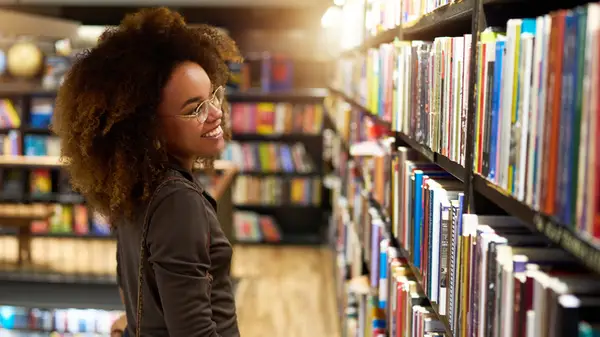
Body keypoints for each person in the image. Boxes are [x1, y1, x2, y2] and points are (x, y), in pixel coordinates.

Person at [52, 7, 242, 337]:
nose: (215, 114)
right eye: (194, 109)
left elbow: (138, 297)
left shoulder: (140, 186)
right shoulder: (178, 201)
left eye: (212, 96)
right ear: (147, 128)